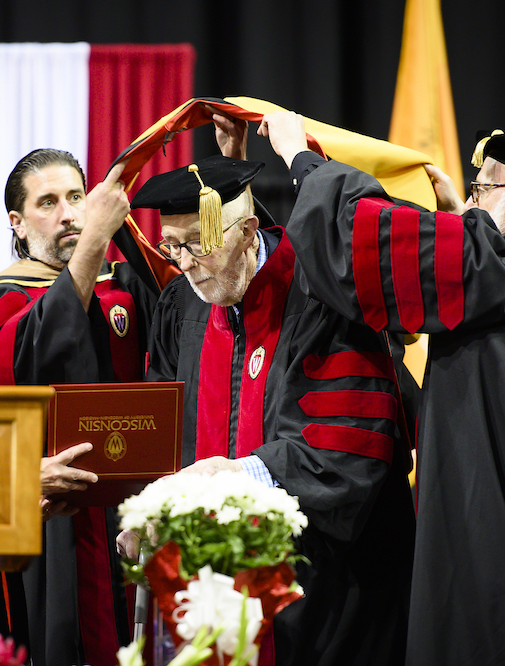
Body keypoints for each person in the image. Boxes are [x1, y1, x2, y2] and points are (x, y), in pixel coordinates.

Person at [258, 111, 505, 664]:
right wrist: (455, 214)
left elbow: (361, 247)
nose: (470, 204)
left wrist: (302, 161)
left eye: (482, 188)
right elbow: (461, 275)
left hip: (503, 543)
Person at [124, 114, 415, 666]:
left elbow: (351, 445)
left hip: (328, 592)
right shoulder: (181, 308)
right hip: (212, 592)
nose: (185, 265)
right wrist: (150, 504)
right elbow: (161, 427)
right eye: (173, 247)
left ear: (250, 232)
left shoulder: (322, 298)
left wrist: (234, 475)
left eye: (199, 244)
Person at [0, 149, 158, 666]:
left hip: (131, 512)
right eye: (48, 203)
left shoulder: (126, 285)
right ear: (17, 223)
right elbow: (11, 366)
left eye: (76, 197)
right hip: (48, 518)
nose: (69, 214)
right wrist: (92, 246)